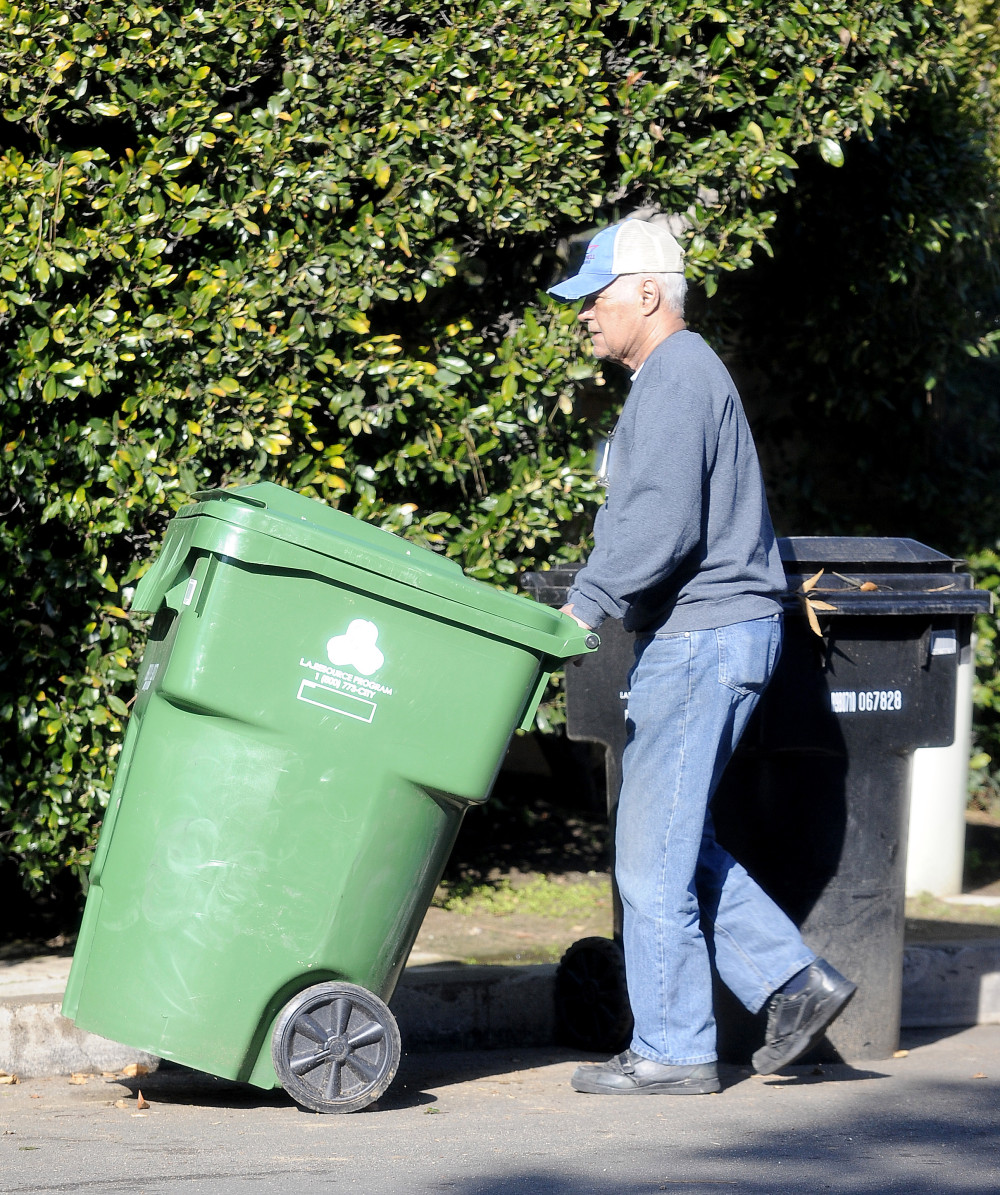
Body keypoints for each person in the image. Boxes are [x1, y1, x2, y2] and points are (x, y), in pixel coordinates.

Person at [547, 218, 856, 1095]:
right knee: (674, 843)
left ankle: (675, 1050)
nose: (585, 317)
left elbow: (662, 523)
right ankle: (795, 985)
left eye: (596, 299)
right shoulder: (674, 377)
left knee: (649, 857)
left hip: (701, 638)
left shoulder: (678, 374)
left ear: (646, 293)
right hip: (711, 636)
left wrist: (590, 600)